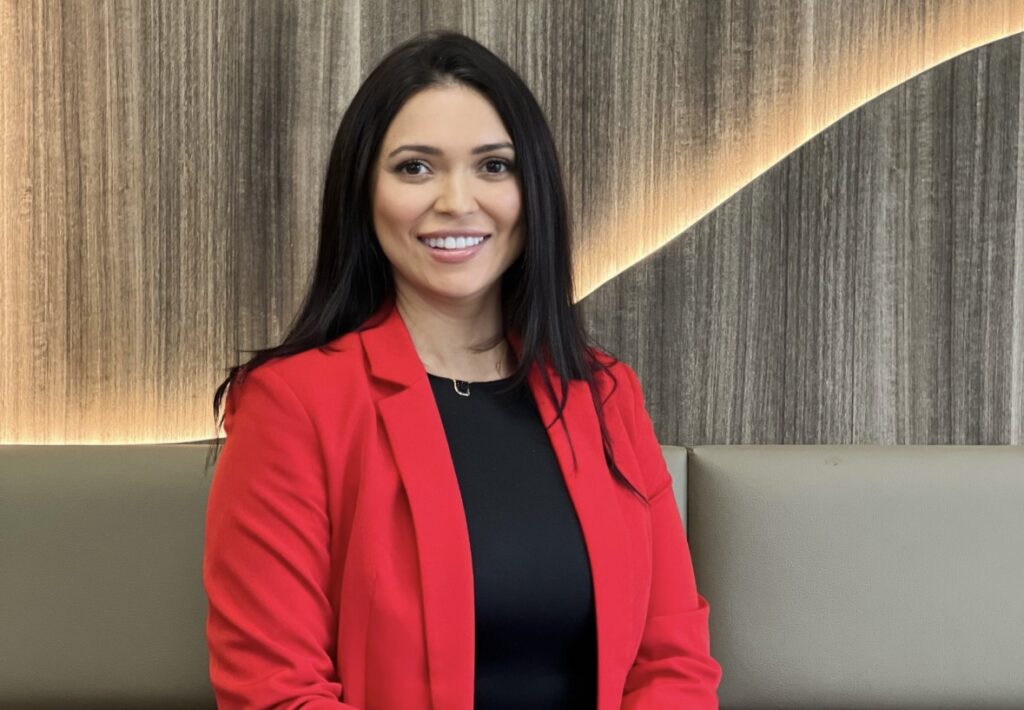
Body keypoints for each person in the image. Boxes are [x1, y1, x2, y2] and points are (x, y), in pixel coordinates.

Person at [203, 28, 722, 710]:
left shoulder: (604, 394)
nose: (456, 201)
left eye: (493, 166)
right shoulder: (293, 403)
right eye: (415, 168)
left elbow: (673, 663)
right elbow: (275, 691)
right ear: (363, 193)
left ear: (532, 192)